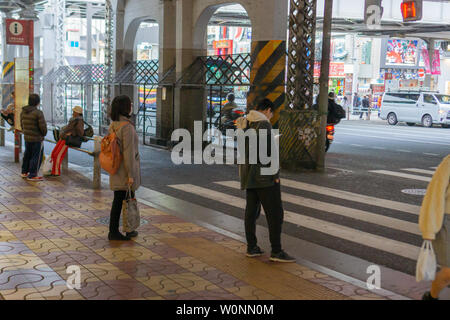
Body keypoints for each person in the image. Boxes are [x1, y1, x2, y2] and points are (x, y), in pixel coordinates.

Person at [236, 98, 295, 263]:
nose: (270, 116)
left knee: (251, 212)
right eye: (271, 113)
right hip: (264, 177)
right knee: (275, 213)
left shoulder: (244, 123)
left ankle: (252, 247)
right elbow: (269, 154)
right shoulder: (264, 124)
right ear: (268, 110)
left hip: (249, 175)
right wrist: (275, 177)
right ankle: (276, 251)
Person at [108, 95, 141, 241]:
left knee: (122, 199)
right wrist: (130, 174)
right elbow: (129, 153)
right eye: (130, 104)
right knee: (127, 199)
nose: (131, 106)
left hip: (116, 168)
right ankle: (117, 231)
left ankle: (125, 229)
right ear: (125, 107)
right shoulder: (126, 127)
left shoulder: (114, 125)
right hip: (125, 171)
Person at [420, 155, 450, 300]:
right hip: (447, 222)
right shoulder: (449, 162)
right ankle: (431, 297)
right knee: (448, 272)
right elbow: (435, 192)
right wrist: (429, 228)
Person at [49, 106, 85, 176]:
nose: (73, 112)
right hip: (64, 138)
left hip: (67, 139)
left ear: (78, 113)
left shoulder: (79, 121)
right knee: (54, 153)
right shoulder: (73, 119)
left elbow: (80, 133)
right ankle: (53, 170)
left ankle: (56, 172)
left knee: (57, 154)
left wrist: (72, 132)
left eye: (74, 111)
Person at [20, 93, 47, 181]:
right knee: (36, 156)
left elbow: (22, 125)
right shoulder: (38, 113)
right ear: (37, 102)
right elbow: (43, 127)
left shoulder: (23, 111)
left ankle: (24, 172)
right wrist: (43, 134)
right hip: (37, 138)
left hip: (27, 137)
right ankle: (33, 174)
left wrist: (26, 132)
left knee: (27, 154)